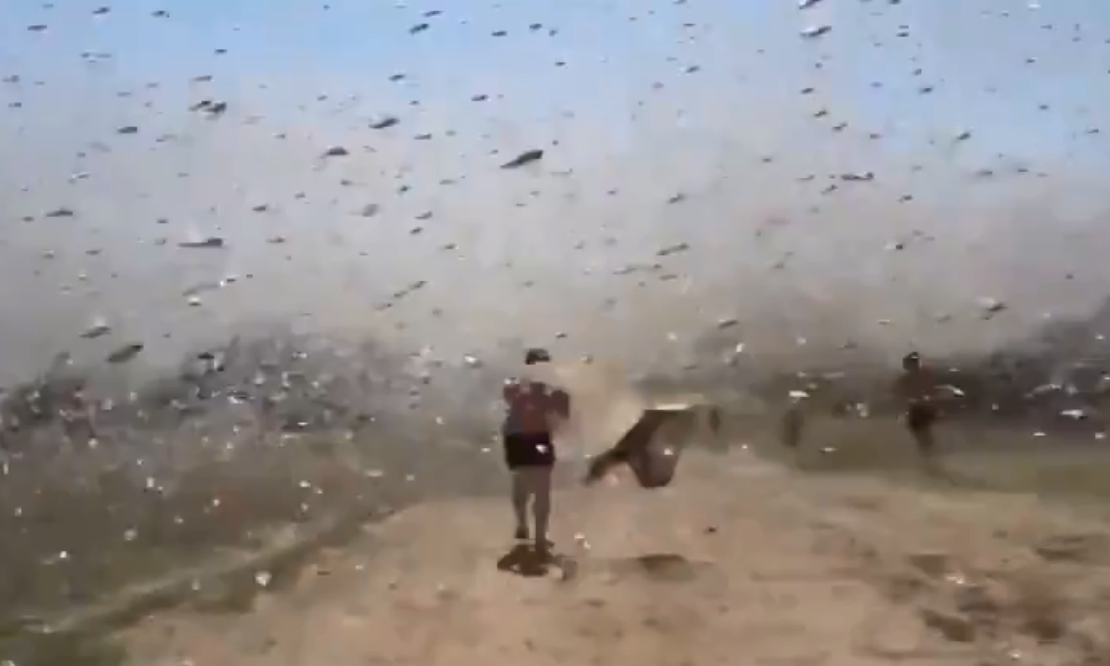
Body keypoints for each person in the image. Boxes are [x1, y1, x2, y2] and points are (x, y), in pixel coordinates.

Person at [502, 347, 570, 555]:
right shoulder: (519, 391)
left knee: (540, 490)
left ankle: (538, 536)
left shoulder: (550, 394)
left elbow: (563, 418)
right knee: (524, 489)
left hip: (536, 441)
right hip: (520, 442)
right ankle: (525, 526)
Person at [894, 351, 939, 455]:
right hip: (917, 408)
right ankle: (927, 451)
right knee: (922, 434)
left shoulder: (922, 375)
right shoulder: (907, 378)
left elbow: (931, 390)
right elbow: (900, 393)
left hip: (921, 408)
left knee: (923, 433)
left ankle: (928, 452)